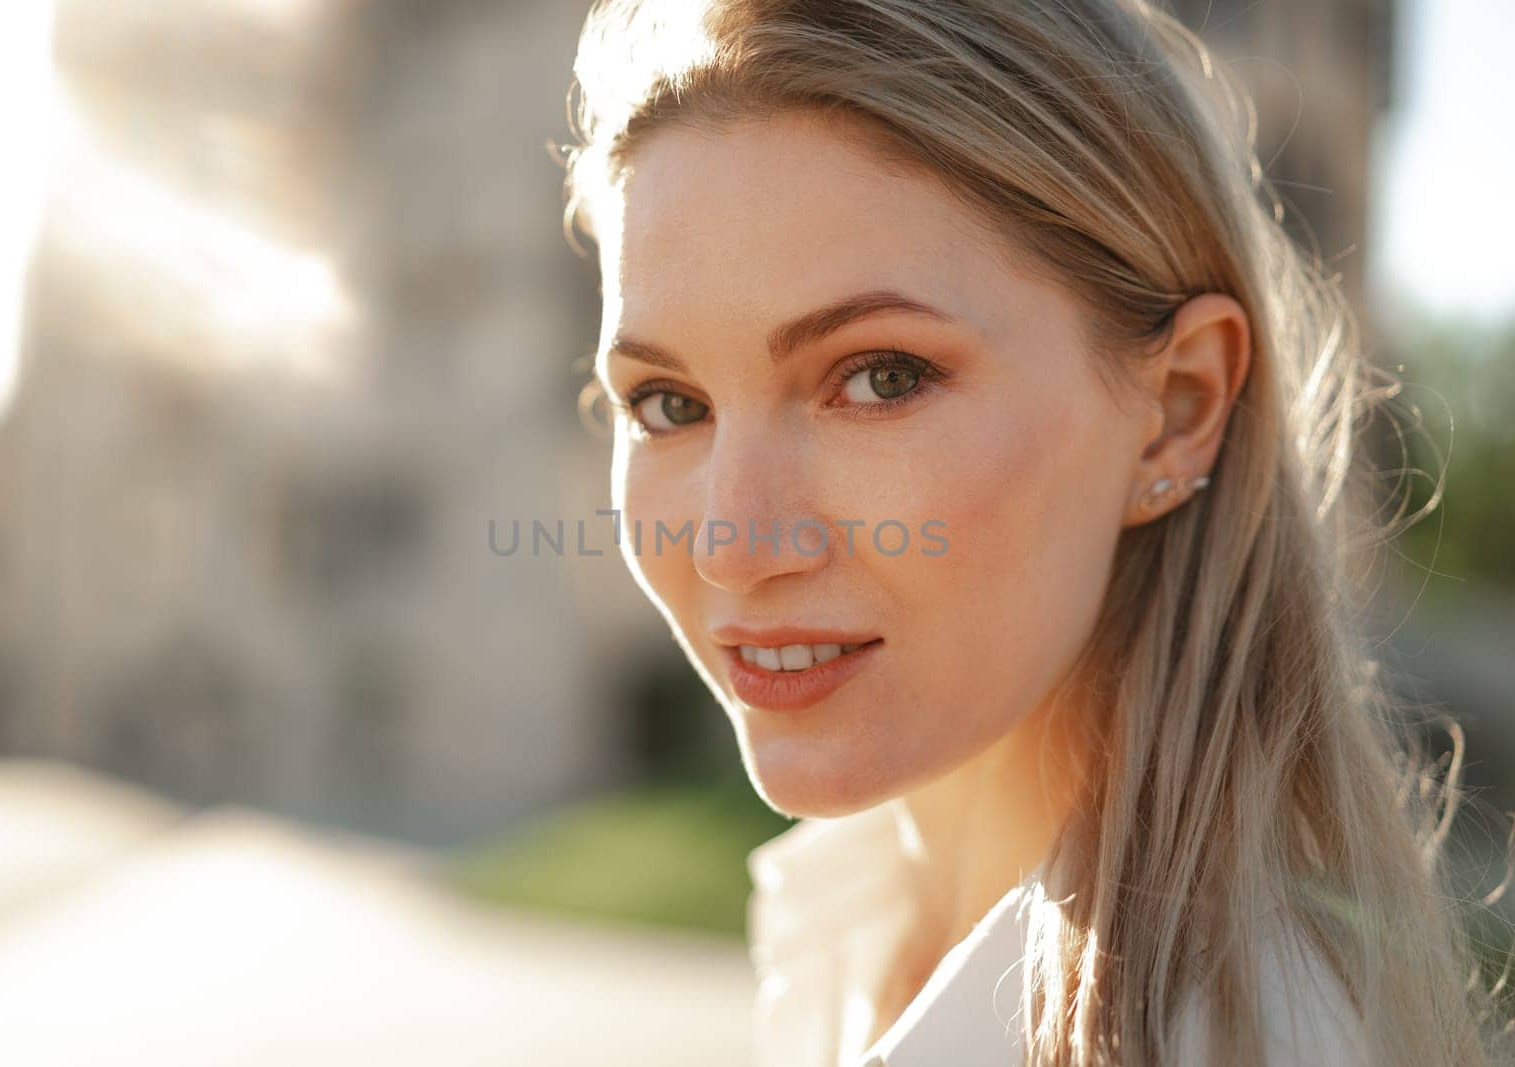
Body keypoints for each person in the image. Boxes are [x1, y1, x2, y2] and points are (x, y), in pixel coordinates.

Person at [559, 1, 1511, 1064]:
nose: (731, 545)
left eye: (881, 378)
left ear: (1179, 407)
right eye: (667, 404)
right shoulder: (836, 923)